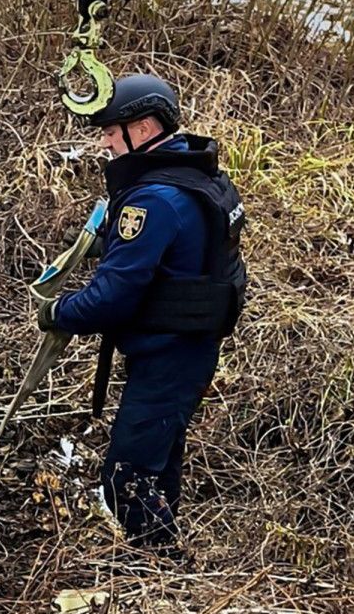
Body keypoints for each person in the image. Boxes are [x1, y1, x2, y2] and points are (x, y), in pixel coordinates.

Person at [37, 74, 247, 554]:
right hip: (186, 348)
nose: (107, 141)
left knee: (125, 479)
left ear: (146, 127)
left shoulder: (155, 199)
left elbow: (113, 295)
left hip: (169, 356)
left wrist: (57, 312)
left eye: (113, 130)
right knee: (158, 458)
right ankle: (160, 553)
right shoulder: (199, 173)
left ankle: (163, 569)